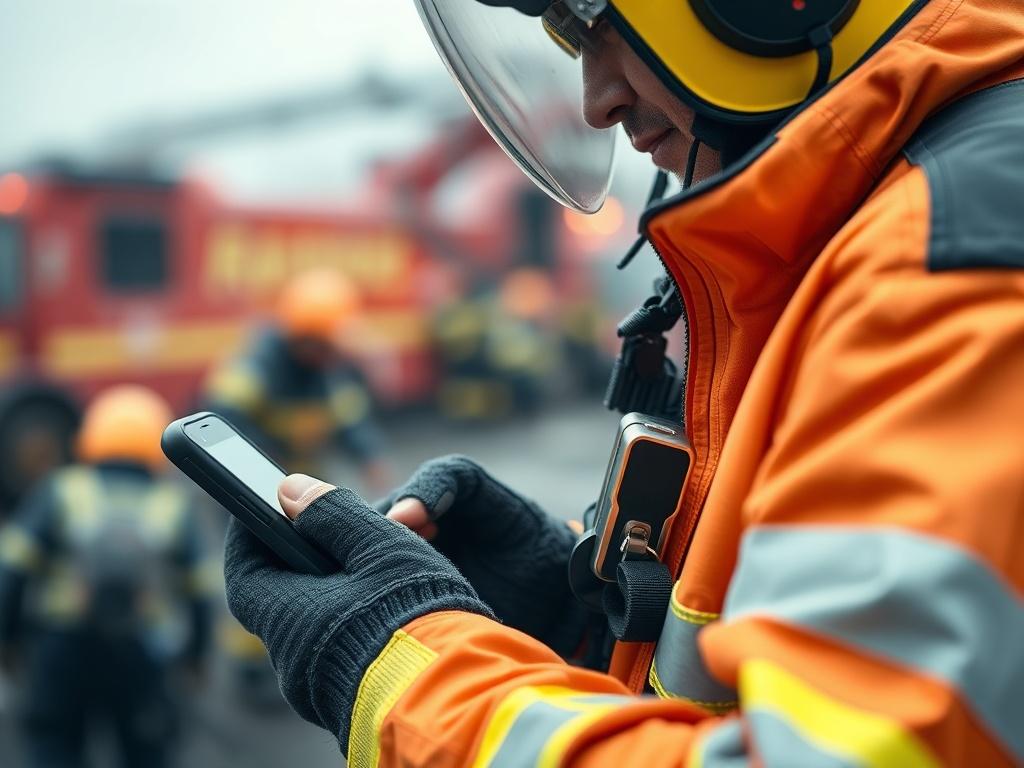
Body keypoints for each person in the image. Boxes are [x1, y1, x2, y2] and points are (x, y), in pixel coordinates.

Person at [222, 2, 1024, 767]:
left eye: (602, 22)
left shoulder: (952, 267)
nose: (597, 99)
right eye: (572, 36)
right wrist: (582, 615)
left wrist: (402, 671)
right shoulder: (893, 229)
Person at [0, 385, 214, 768]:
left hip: (63, 646)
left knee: (54, 746)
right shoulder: (172, 504)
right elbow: (200, 593)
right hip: (140, 651)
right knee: (146, 752)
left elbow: (12, 571)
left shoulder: (62, 490)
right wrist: (195, 657)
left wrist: (10, 640)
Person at [204, 268, 391, 495]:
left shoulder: (329, 370)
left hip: (304, 480)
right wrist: (263, 464)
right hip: (252, 486)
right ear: (308, 340)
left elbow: (351, 419)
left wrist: (369, 456)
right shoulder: (258, 365)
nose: (335, 354)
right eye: (328, 346)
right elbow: (221, 418)